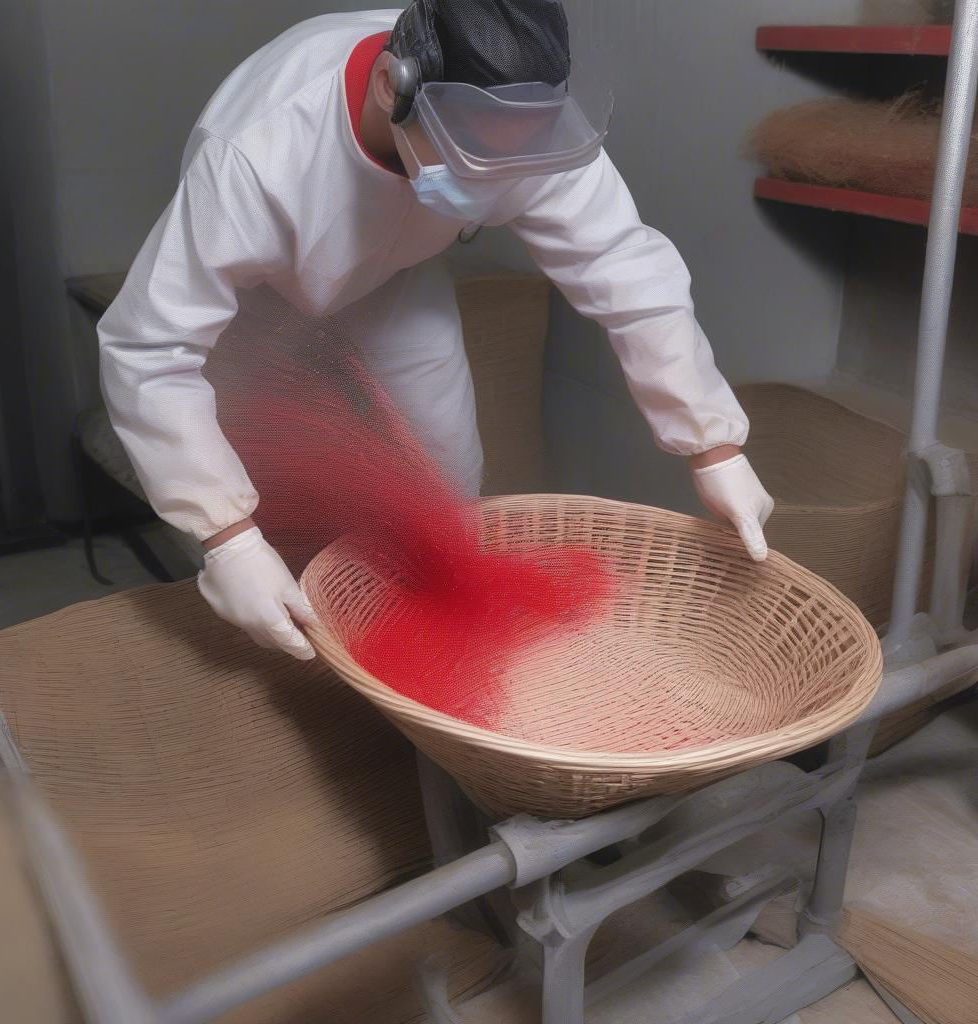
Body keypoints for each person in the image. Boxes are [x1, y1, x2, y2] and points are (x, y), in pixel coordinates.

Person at [99, 0, 774, 662]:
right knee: (256, 494)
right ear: (393, 86)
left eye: (512, 159)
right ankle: (291, 633)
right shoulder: (255, 155)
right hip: (257, 297)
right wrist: (229, 540)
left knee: (446, 471)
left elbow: (623, 266)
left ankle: (425, 644)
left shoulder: (527, 122)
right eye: (470, 155)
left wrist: (711, 444)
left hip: (397, 273)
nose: (494, 189)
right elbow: (150, 348)